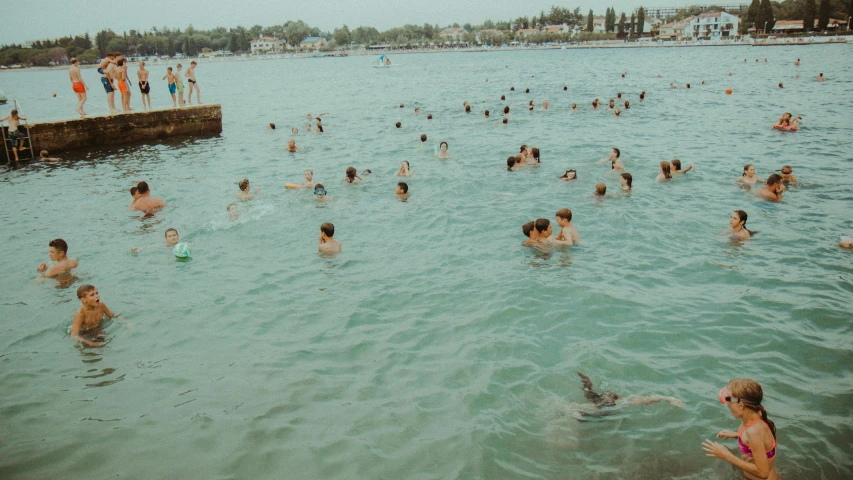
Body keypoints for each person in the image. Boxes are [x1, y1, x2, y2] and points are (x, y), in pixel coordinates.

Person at [702, 379, 780, 480]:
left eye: (729, 400)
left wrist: (727, 455)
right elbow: (762, 441)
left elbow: (763, 473)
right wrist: (737, 435)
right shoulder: (754, 416)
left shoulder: (753, 432)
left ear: (741, 405)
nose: (727, 404)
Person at [574, 372, 683, 416]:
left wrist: (667, 398)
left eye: (610, 395)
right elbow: (645, 400)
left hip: (596, 412)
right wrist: (667, 398)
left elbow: (645, 400)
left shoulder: (619, 402)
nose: (608, 395)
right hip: (595, 411)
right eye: (607, 395)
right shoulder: (599, 404)